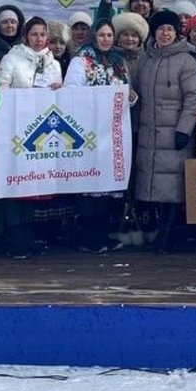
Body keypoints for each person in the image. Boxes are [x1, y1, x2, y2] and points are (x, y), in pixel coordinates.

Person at [0, 15, 63, 258]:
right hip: (15, 131)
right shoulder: (11, 59)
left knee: (34, 184)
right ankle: (15, 238)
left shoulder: (54, 63)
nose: (39, 38)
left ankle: (28, 234)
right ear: (26, 37)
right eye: (34, 34)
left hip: (40, 133)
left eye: (42, 34)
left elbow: (60, 100)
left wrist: (58, 91)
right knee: (16, 184)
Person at [132, 10, 196, 252]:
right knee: (152, 184)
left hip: (174, 134)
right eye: (161, 29)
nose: (165, 33)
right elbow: (138, 93)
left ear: (176, 32)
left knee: (172, 187)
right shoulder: (146, 58)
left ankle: (167, 235)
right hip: (149, 132)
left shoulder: (186, 61)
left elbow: (193, 98)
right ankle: (158, 231)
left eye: (170, 29)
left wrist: (184, 129)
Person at [67, 17, 137, 252]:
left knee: (109, 184)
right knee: (90, 184)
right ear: (94, 36)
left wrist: (131, 98)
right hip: (88, 130)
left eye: (109, 35)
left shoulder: (118, 61)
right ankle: (89, 237)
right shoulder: (81, 60)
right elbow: (72, 94)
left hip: (112, 130)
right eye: (102, 35)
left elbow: (127, 91)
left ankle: (104, 234)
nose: (106, 39)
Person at [0, 3, 24, 77]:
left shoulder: (25, 47)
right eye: (5, 22)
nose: (9, 25)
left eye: (13, 22)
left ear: (18, 26)